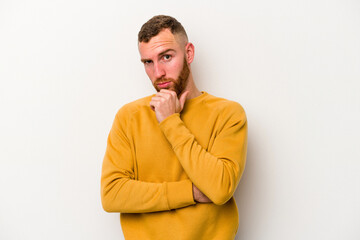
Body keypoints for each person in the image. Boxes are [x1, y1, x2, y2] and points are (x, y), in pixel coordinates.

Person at [101, 15, 248, 240]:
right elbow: (112, 194)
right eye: (148, 62)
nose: (158, 72)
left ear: (188, 53)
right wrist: (191, 192)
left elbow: (219, 188)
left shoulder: (227, 114)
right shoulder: (129, 117)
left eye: (166, 57)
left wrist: (171, 122)